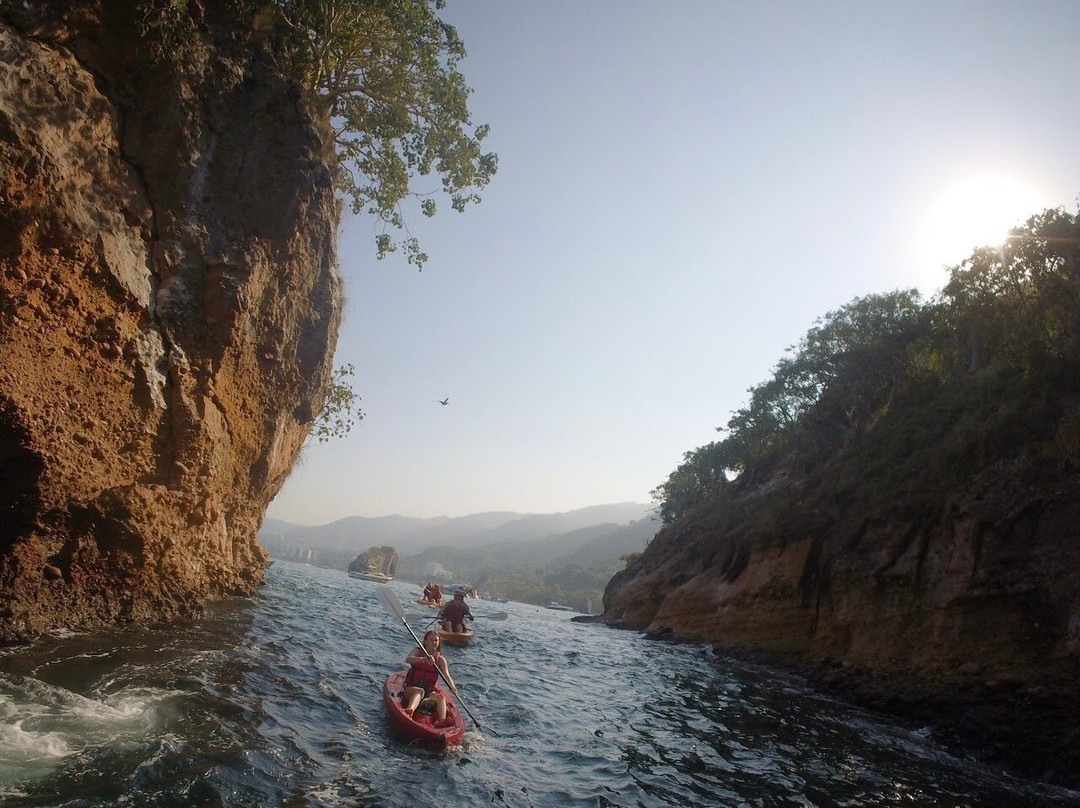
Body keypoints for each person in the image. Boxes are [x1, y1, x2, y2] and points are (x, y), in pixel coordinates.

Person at [400, 630, 456, 724]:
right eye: (431, 640)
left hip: (429, 692)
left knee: (441, 697)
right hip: (411, 688)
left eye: (436, 640)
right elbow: (408, 659)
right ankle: (410, 710)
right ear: (426, 641)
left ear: (438, 643)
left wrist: (452, 687)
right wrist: (423, 659)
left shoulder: (440, 660)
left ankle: (442, 720)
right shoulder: (417, 651)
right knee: (419, 691)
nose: (434, 642)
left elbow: (447, 676)